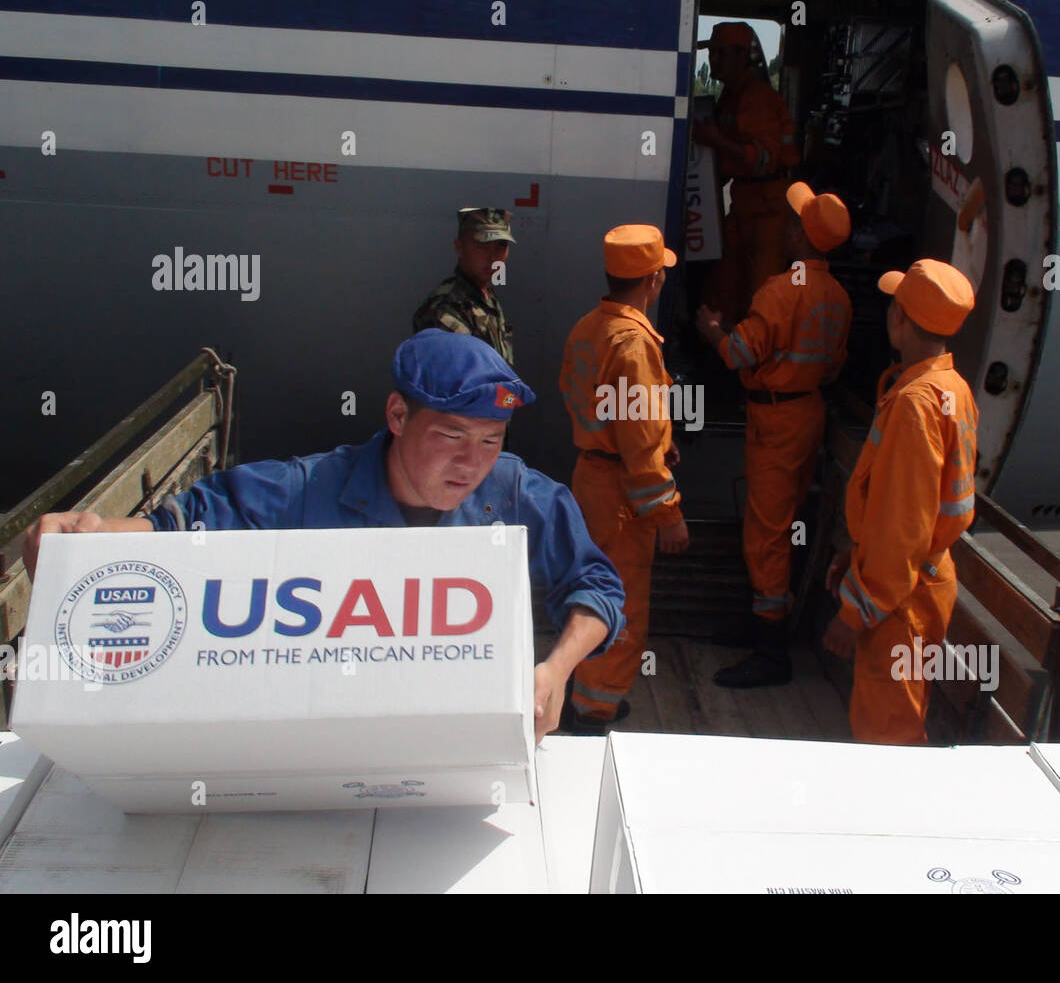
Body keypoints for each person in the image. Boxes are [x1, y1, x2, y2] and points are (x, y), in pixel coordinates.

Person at [22, 330, 626, 743]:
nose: (473, 463)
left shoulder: (518, 492)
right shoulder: (307, 489)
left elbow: (595, 583)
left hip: (454, 748)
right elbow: (184, 524)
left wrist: (558, 666)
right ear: (396, 417)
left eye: (491, 440)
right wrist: (94, 533)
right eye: (450, 436)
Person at [696, 183, 852, 687]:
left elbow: (738, 355)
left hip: (777, 420)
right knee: (779, 525)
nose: (784, 228)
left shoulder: (781, 290)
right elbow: (832, 367)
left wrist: (712, 330)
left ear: (801, 237)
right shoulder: (838, 297)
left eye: (793, 222)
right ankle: (763, 623)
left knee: (766, 533)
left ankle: (770, 651)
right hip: (806, 414)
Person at [822, 259, 978, 745]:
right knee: (897, 717)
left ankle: (889, 818)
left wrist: (855, 612)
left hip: (899, 601)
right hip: (917, 583)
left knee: (888, 734)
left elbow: (903, 527)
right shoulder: (950, 388)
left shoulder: (915, 404)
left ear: (900, 319)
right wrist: (858, 554)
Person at [558, 225, 690, 733]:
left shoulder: (588, 328)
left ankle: (585, 695)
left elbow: (592, 403)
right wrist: (669, 516)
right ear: (653, 280)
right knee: (621, 602)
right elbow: (639, 452)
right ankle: (594, 713)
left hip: (592, 480)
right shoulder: (634, 345)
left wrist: (657, 438)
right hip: (620, 498)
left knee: (587, 589)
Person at [693, 21, 800, 325]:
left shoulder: (758, 99)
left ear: (742, 56)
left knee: (763, 295)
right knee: (723, 288)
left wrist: (714, 140)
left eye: (720, 53)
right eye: (711, 53)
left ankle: (761, 365)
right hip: (743, 206)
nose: (713, 60)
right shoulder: (731, 97)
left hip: (768, 212)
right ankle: (724, 352)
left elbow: (763, 159)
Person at [412, 207, 516, 365]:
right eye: (482, 246)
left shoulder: (485, 295)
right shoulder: (445, 307)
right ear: (459, 247)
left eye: (500, 246)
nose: (493, 256)